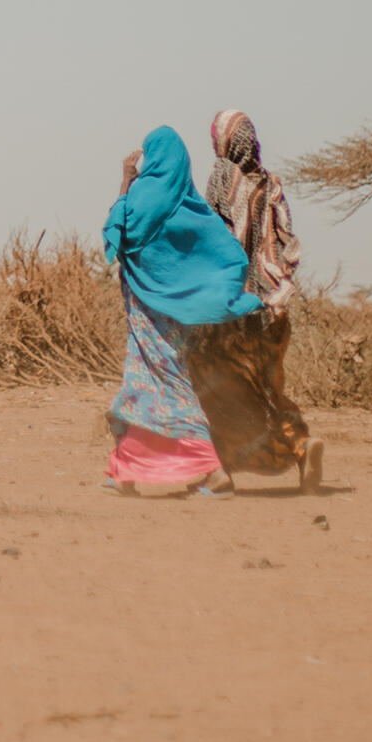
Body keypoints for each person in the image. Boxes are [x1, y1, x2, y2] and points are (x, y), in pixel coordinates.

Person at [102, 125, 261, 497]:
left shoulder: (142, 198)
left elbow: (116, 231)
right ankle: (123, 470)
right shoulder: (191, 206)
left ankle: (210, 469)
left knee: (163, 387)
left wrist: (125, 183)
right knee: (143, 388)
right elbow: (226, 255)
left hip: (146, 316)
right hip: (178, 319)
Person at [191, 108, 324, 491]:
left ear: (222, 141)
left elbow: (213, 238)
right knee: (266, 387)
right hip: (274, 310)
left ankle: (221, 471)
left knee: (214, 383)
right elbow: (285, 241)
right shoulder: (272, 184)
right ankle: (300, 444)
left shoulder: (221, 177)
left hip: (234, 308)